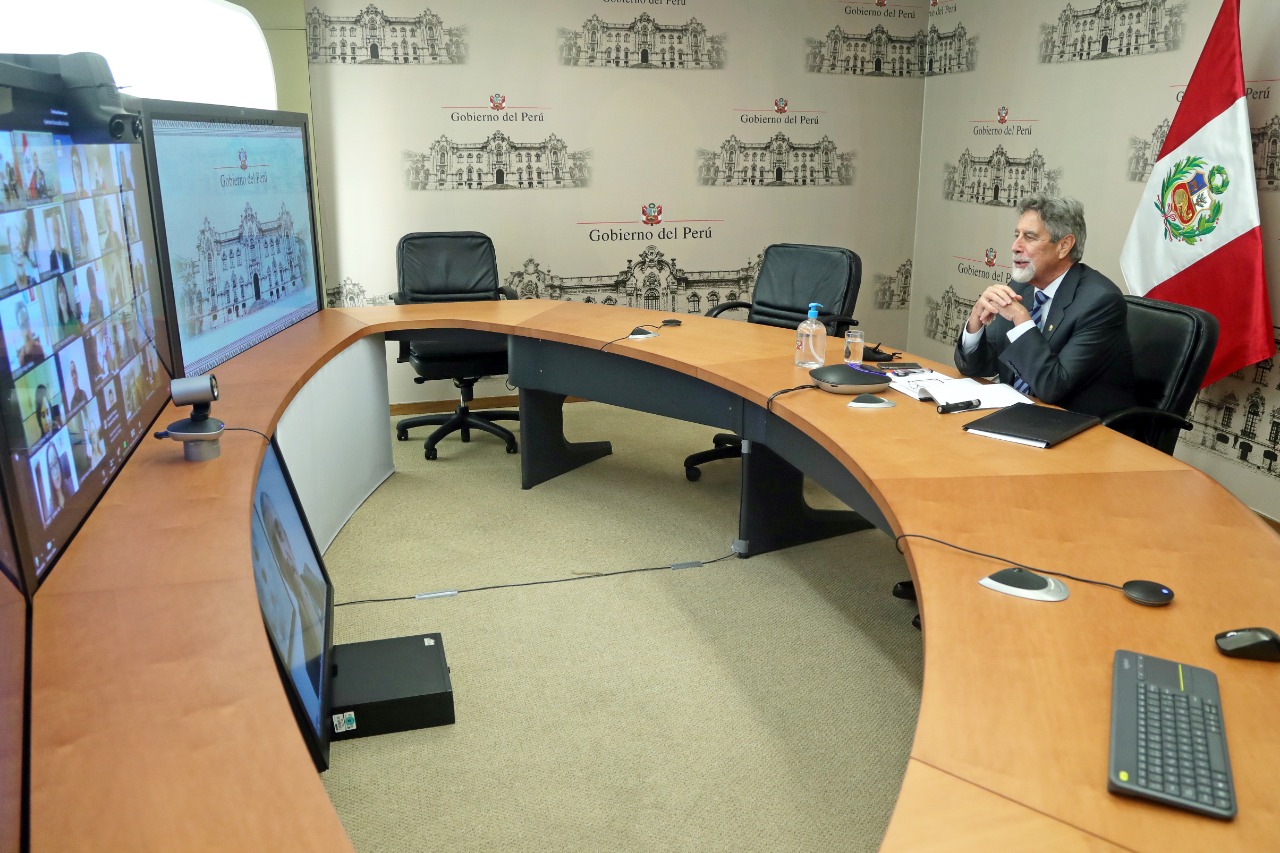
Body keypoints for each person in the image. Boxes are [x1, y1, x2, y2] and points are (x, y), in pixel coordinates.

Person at [954, 194, 1137, 418]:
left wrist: (1022, 321)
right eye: (1016, 235)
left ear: (1064, 246)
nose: (1015, 247)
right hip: (1020, 416)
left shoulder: (1100, 302)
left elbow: (1052, 387)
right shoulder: (1021, 287)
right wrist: (975, 323)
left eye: (1029, 237)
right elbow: (980, 366)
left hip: (1075, 424)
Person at [14, 299, 45, 367]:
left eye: (26, 321)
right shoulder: (21, 360)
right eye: (22, 325)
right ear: (19, 328)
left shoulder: (39, 349)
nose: (26, 328)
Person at [54, 275, 81, 339]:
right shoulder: (59, 325)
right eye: (60, 292)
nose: (62, 295)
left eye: (63, 291)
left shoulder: (73, 319)